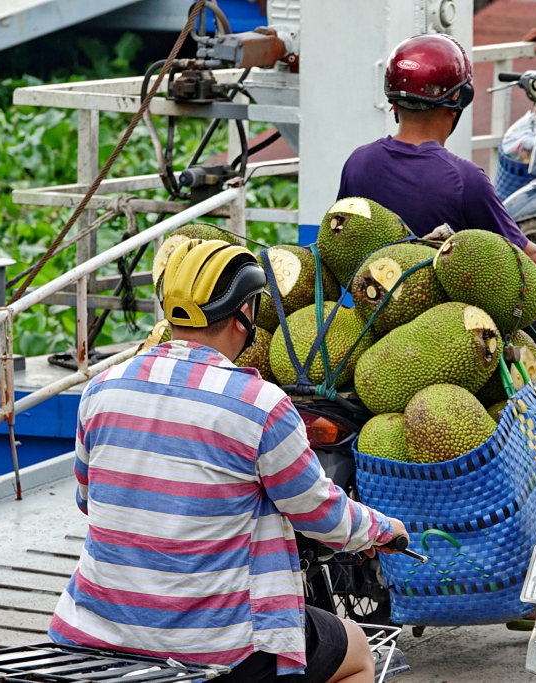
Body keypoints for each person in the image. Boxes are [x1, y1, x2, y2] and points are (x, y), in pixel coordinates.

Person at [49, 237, 408, 683]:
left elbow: (89, 500)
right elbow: (318, 512)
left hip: (92, 626)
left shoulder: (102, 388)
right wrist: (381, 529)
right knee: (356, 652)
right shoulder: (260, 404)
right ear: (244, 315)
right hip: (215, 645)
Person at [337, 33, 536, 287]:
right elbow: (524, 260)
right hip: (446, 323)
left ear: (393, 102)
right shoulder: (465, 180)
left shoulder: (358, 162)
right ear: (459, 98)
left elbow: (341, 236)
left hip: (369, 312)